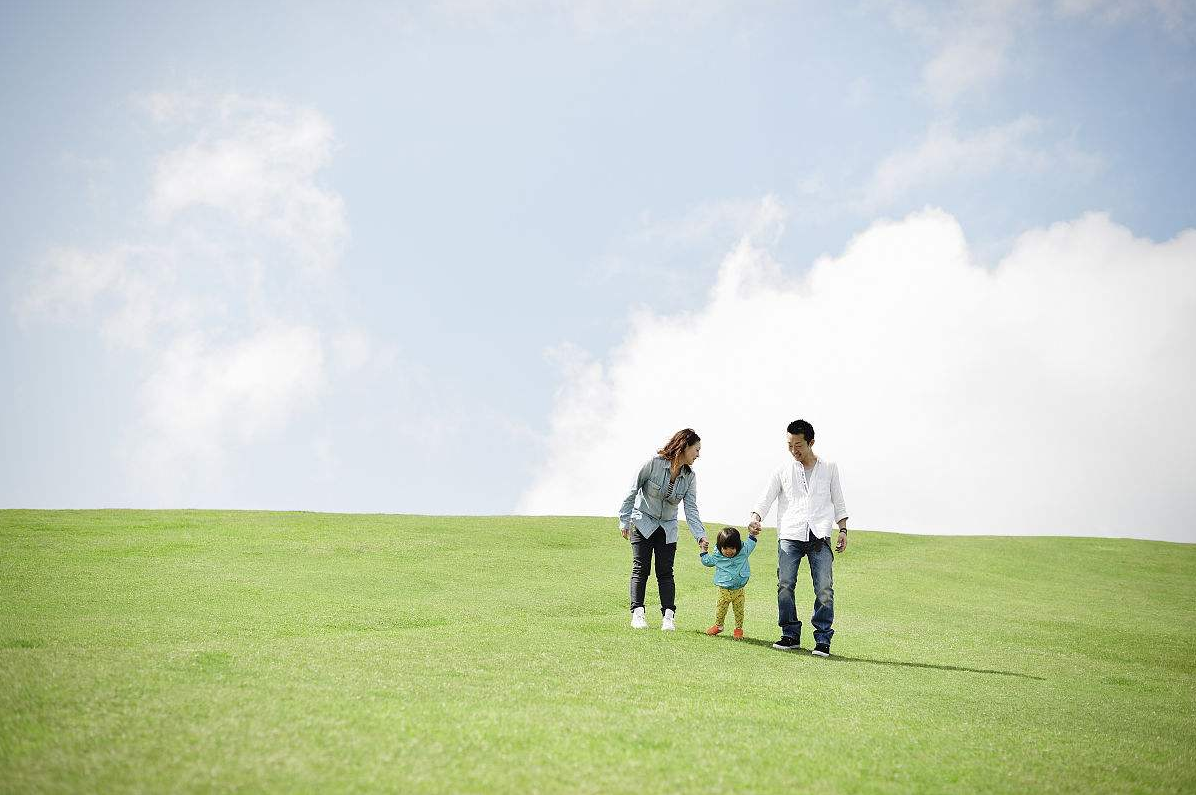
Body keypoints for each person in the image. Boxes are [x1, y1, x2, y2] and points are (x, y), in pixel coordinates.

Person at [748, 419, 849, 657]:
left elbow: (839, 500)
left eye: (799, 445)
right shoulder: (782, 470)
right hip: (790, 534)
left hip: (820, 534)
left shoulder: (829, 468)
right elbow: (766, 497)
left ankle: (823, 639)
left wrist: (843, 529)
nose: (794, 450)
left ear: (811, 442)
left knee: (824, 588)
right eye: (790, 445)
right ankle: (790, 634)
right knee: (784, 585)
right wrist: (755, 517)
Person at [618, 428, 709, 631]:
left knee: (665, 572)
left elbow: (691, 507)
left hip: (668, 527)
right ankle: (638, 614)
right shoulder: (653, 464)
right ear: (685, 446)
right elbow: (633, 490)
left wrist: (700, 535)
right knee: (641, 568)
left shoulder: (690, 477)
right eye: (696, 449)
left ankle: (668, 617)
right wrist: (624, 520)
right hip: (643, 522)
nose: (698, 455)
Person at [700, 526, 760, 639]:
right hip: (724, 590)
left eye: (732, 548)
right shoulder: (717, 556)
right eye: (725, 548)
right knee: (721, 609)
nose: (729, 551)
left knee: (739, 610)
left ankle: (738, 629)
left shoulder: (744, 551)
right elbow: (707, 562)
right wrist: (704, 551)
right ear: (720, 547)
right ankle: (718, 626)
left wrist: (752, 534)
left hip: (739, 590)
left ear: (737, 547)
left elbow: (751, 543)